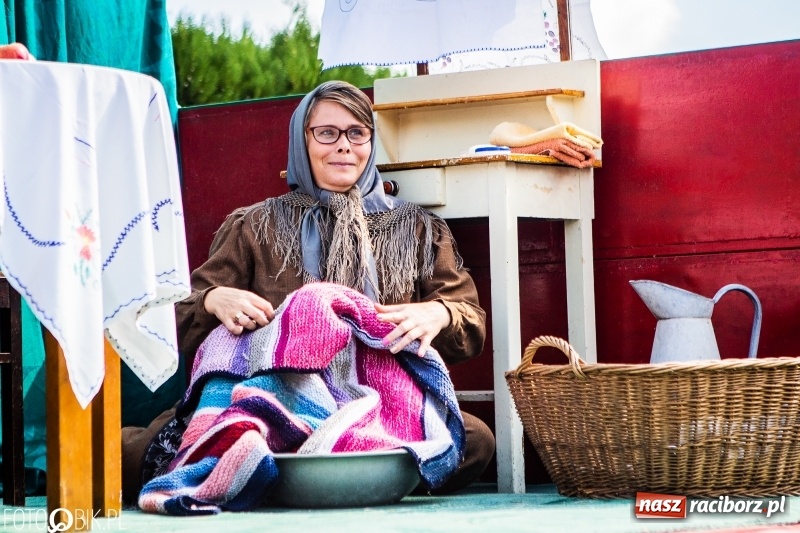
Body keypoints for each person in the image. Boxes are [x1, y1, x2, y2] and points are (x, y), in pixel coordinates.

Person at [122, 80, 495, 503]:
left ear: (371, 142)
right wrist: (213, 299)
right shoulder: (255, 224)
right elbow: (179, 312)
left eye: (357, 133)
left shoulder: (418, 228)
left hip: (381, 405)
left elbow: (470, 320)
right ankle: (297, 462)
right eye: (327, 133)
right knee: (132, 458)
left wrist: (440, 314)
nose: (344, 146)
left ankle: (265, 471)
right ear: (303, 141)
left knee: (475, 441)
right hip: (269, 399)